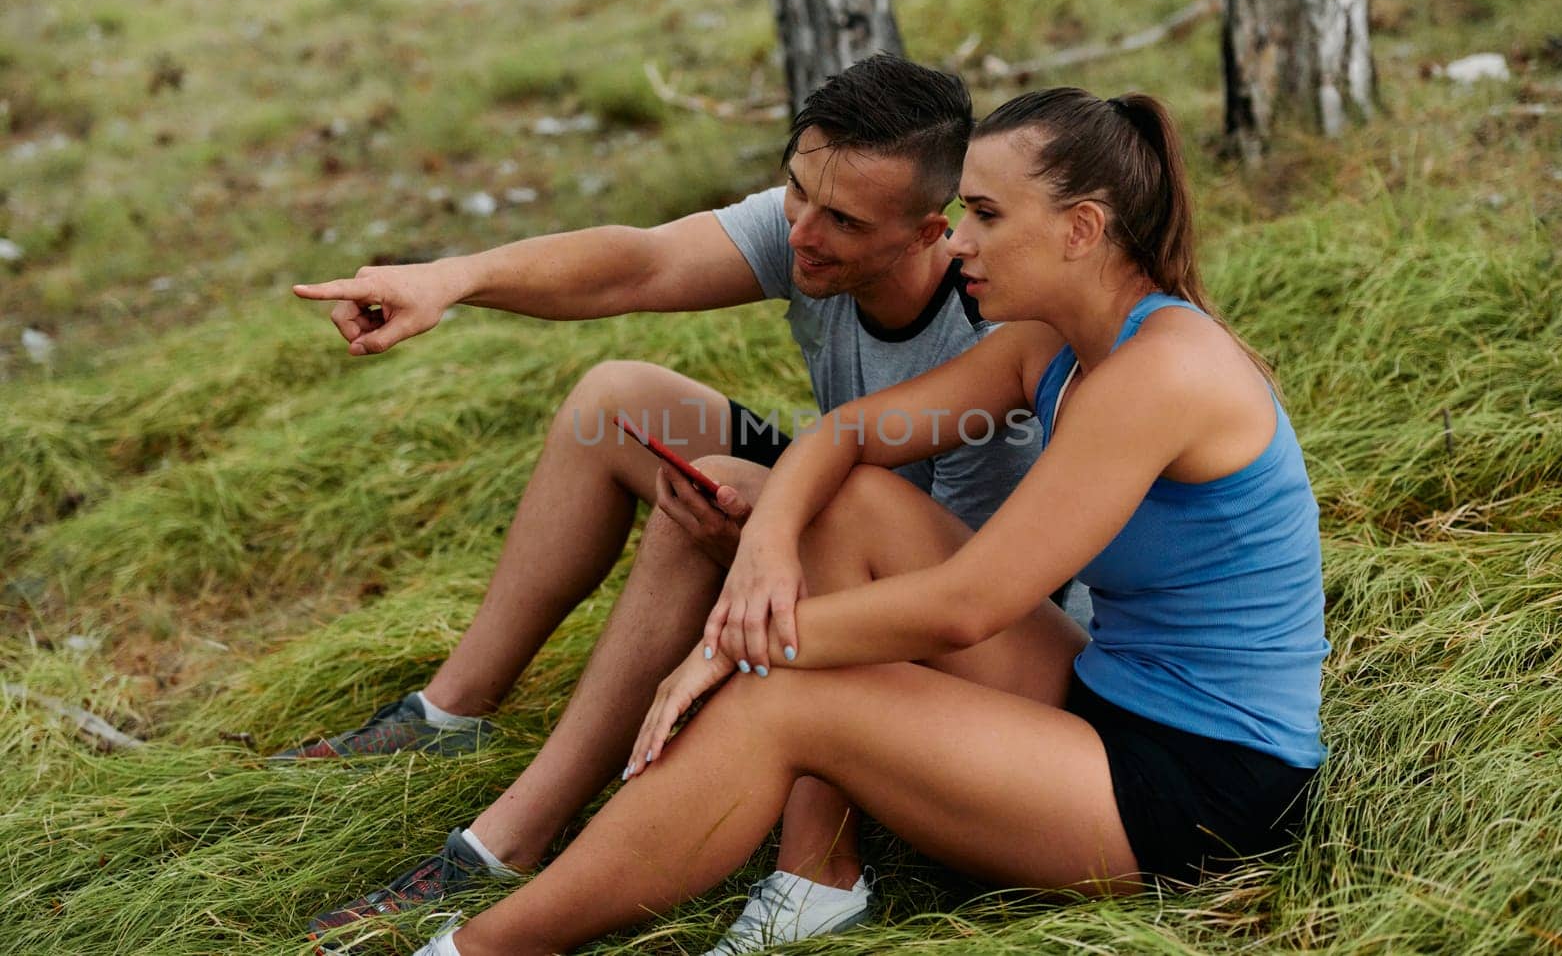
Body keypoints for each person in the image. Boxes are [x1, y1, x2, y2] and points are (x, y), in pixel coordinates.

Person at [371, 85, 1330, 956]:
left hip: (1201, 786)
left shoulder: (1161, 372)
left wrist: (734, 645)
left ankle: (479, 950)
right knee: (849, 501)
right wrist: (766, 557)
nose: (959, 242)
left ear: (1081, 229)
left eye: (986, 216)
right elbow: (847, 438)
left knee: (780, 698)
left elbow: (968, 604)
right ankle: (815, 876)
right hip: (1103, 690)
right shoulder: (1052, 344)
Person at [290, 55, 1078, 951]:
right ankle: (449, 715)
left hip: (979, 633)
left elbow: (963, 597)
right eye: (796, 192)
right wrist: (452, 279)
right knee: (616, 403)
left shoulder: (991, 324)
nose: (803, 232)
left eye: (843, 220)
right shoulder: (813, 223)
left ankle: (520, 832)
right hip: (840, 509)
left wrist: (762, 538)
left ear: (929, 231)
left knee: (730, 486)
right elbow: (639, 263)